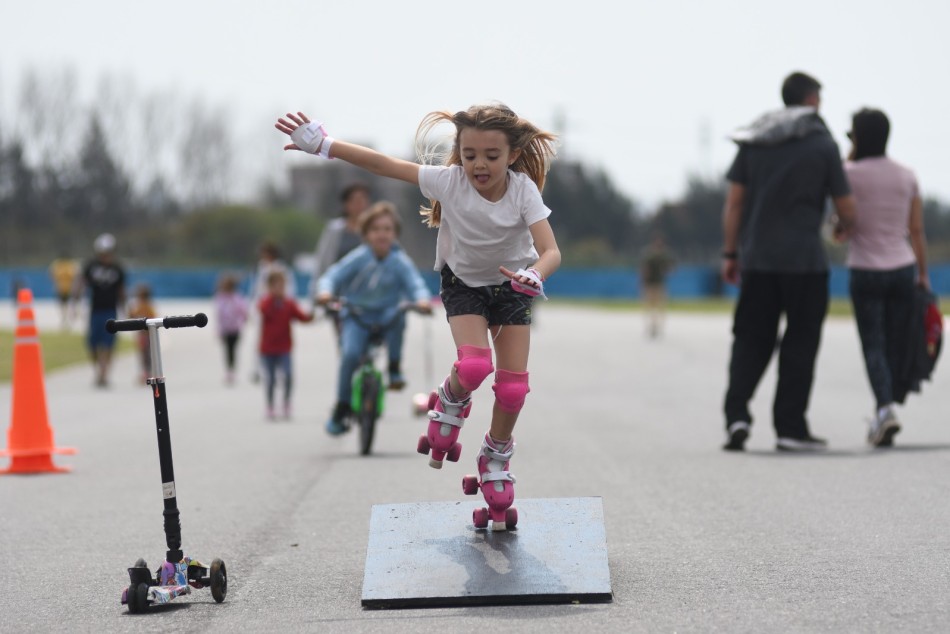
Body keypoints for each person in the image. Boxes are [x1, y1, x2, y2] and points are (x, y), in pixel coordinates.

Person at [276, 103, 561, 529]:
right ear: (459, 154)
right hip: (463, 283)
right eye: (469, 155)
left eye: (491, 156)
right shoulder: (449, 182)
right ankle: (450, 399)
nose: (479, 165)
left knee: (514, 389)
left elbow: (551, 251)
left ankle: (495, 456)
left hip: (511, 287)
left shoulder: (523, 191)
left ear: (514, 155)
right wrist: (324, 145)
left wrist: (534, 275)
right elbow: (386, 165)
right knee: (475, 365)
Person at [720, 71, 856, 452]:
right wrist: (844, 225)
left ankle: (737, 417)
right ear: (812, 100)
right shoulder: (822, 144)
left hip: (759, 260)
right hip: (805, 263)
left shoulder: (755, 140)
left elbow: (734, 203)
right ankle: (790, 428)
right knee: (801, 341)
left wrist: (731, 253)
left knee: (750, 339)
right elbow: (845, 206)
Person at [842, 108, 930, 448]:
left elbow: (841, 226)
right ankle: (887, 404)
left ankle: (884, 408)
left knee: (873, 344)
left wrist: (850, 157)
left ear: (857, 136)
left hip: (865, 269)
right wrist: (922, 273)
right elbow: (917, 229)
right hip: (902, 267)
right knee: (895, 341)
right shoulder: (907, 176)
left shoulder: (848, 173)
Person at [316, 201, 433, 435]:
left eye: (388, 229)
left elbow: (415, 283)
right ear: (366, 233)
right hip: (357, 315)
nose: (382, 234)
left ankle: (394, 367)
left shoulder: (399, 261)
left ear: (395, 234)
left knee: (400, 314)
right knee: (349, 355)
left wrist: (422, 300)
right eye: (376, 229)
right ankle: (341, 407)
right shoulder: (358, 258)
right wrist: (325, 292)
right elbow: (332, 275)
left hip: (387, 314)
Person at [258, 269, 314, 420]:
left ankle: (286, 403)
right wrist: (274, 300)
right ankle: (270, 406)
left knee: (288, 376)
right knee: (270, 379)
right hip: (267, 348)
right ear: (269, 287)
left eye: (281, 286)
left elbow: (301, 317)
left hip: (284, 347)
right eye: (275, 286)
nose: (279, 290)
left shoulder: (289, 303)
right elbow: (263, 311)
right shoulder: (265, 302)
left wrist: (312, 316)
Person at [73, 233, 127, 388]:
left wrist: (125, 309)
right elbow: (81, 283)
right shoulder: (91, 266)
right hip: (95, 310)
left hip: (110, 310)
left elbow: (121, 290)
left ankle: (103, 374)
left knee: (108, 343)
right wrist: (74, 303)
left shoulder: (117, 269)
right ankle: (98, 368)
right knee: (92, 344)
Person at [213, 272, 250, 385]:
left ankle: (232, 370)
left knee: (233, 350)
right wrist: (218, 329)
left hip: (235, 328)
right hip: (225, 329)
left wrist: (244, 319)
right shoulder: (220, 298)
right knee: (227, 350)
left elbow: (243, 310)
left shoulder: (237, 297)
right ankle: (229, 370)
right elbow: (218, 314)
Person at [640, 234, 675, 338]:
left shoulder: (656, 255)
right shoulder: (654, 255)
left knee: (656, 307)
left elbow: (670, 269)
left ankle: (655, 326)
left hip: (657, 284)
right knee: (654, 307)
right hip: (653, 284)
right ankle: (653, 326)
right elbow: (645, 269)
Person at [127, 282, 158, 383]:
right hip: (142, 334)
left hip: (146, 334)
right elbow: (132, 317)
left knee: (145, 355)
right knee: (144, 355)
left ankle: (147, 373)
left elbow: (152, 319)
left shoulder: (145, 306)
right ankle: (146, 372)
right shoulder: (142, 305)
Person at [48, 254, 79, 331]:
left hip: (64, 288)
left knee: (66, 306)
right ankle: (66, 321)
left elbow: (51, 274)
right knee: (66, 306)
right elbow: (76, 276)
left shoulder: (59, 265)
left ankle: (66, 320)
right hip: (66, 288)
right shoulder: (70, 265)